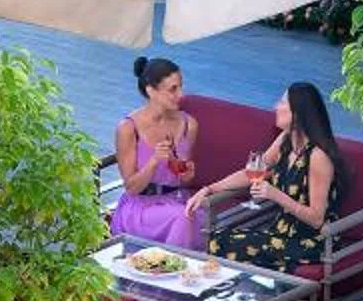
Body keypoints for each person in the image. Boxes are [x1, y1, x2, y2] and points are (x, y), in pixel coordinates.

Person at [204, 82, 346, 272]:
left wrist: (274, 194)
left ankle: (255, 295)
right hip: (281, 232)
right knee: (218, 238)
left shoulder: (318, 157)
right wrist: (210, 189)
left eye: (282, 102)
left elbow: (316, 218)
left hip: (311, 240)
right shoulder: (285, 140)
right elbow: (252, 173)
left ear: (297, 113)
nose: (275, 107)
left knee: (221, 243)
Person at [109, 54, 203, 247]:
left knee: (189, 216)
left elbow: (182, 178)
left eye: (181, 87)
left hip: (175, 201)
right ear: (151, 90)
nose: (181, 95)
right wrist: (154, 161)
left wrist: (187, 176)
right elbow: (132, 187)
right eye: (173, 89)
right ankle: (172, 272)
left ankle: (169, 270)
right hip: (140, 209)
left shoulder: (189, 124)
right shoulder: (128, 128)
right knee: (183, 218)